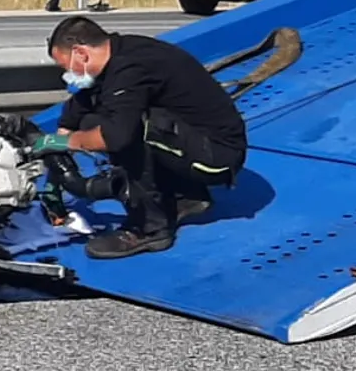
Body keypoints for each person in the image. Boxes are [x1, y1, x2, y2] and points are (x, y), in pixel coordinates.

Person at [26, 16, 247, 259]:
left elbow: (117, 138)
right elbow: (80, 107)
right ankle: (186, 196)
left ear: (81, 53)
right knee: (93, 122)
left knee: (131, 129)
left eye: (66, 67)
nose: (67, 75)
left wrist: (68, 142)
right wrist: (55, 172)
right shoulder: (116, 53)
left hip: (218, 157)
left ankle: (150, 229)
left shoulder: (131, 69)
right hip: (194, 143)